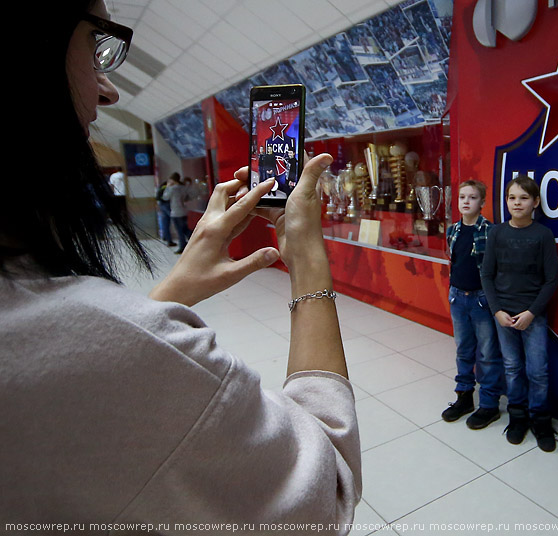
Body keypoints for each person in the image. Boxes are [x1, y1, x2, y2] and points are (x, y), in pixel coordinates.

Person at [0, 1, 361, 530]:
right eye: (95, 46)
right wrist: (306, 258)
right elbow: (325, 493)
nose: (108, 91)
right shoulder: (88, 334)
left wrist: (164, 300)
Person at [481, 176, 558, 449]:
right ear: (506, 201)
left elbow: (551, 280)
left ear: (535, 202)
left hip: (533, 316)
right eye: (512, 197)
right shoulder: (497, 233)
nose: (517, 203)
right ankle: (518, 415)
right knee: (512, 368)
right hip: (504, 315)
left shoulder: (543, 235)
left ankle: (540, 419)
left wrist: (532, 313)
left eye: (524, 198)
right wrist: (497, 311)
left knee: (538, 370)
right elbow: (487, 275)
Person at [441, 180, 505, 429]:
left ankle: (489, 404)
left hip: (481, 300)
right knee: (463, 349)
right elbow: (454, 261)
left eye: (472, 197)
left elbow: (495, 270)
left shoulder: (490, 231)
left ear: (483, 202)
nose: (466, 202)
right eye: (462, 197)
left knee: (488, 353)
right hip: (458, 297)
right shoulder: (453, 230)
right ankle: (464, 396)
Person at [162, 173, 191, 253]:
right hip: (184, 211)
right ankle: (192, 239)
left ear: (172, 180)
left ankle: (183, 246)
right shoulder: (183, 188)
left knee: (179, 230)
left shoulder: (172, 189)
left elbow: (165, 197)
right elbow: (187, 197)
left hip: (175, 212)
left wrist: (167, 187)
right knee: (184, 228)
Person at [155, 177, 175, 246]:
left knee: (165, 223)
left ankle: (167, 238)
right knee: (175, 219)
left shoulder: (162, 187)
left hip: (162, 205)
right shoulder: (166, 188)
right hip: (166, 204)